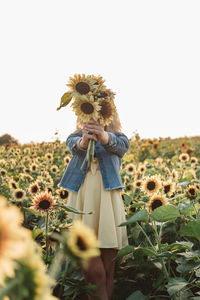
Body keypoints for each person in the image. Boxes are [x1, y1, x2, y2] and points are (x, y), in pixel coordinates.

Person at [59, 110, 129, 300]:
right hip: (82, 200)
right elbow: (75, 146)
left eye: (100, 113)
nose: (94, 118)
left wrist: (103, 135)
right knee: (94, 272)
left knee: (107, 272)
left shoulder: (118, 138)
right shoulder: (76, 136)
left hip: (107, 199)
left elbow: (122, 146)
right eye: (89, 111)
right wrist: (85, 139)